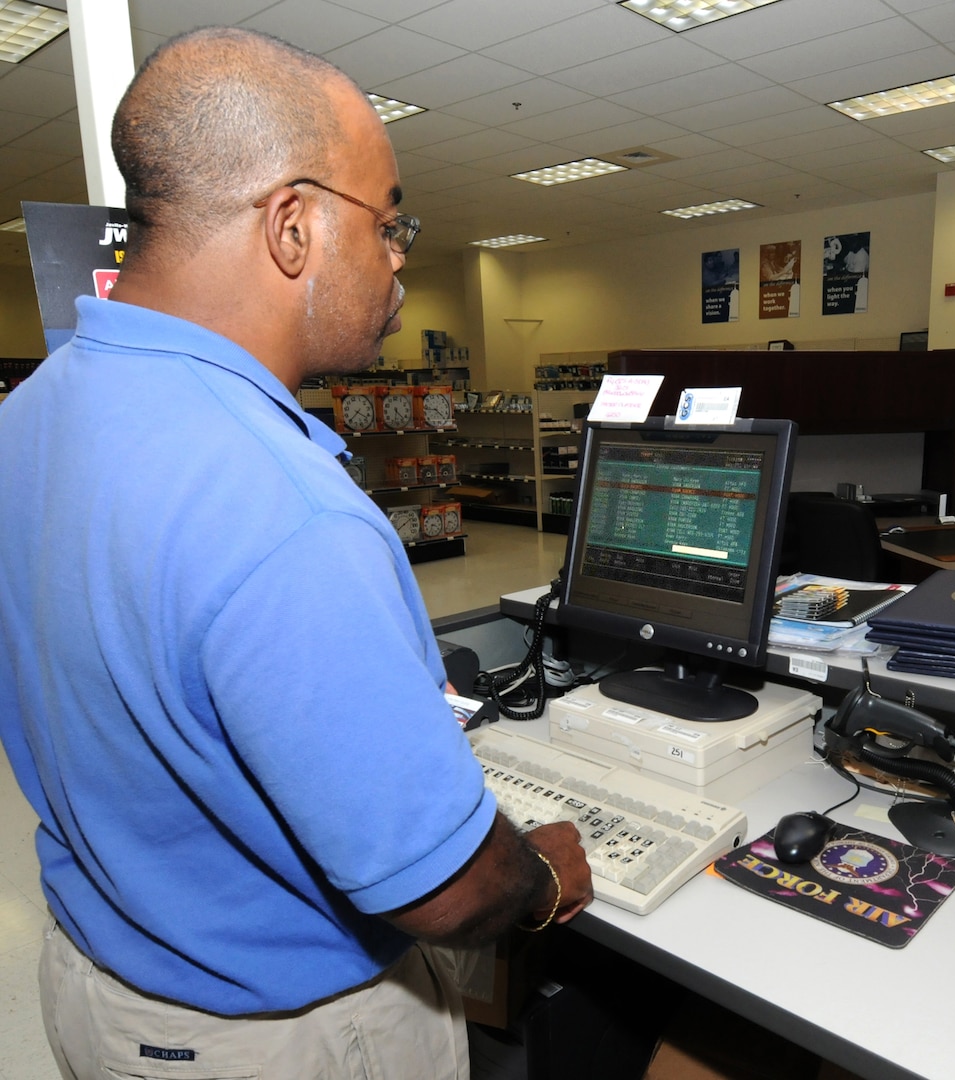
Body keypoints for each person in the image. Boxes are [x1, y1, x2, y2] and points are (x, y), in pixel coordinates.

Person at [0, 28, 591, 1078]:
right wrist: (540, 879)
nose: (400, 256)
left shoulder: (34, 416)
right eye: (390, 220)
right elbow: (445, 890)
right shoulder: (282, 508)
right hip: (283, 1038)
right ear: (292, 225)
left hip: (101, 989)